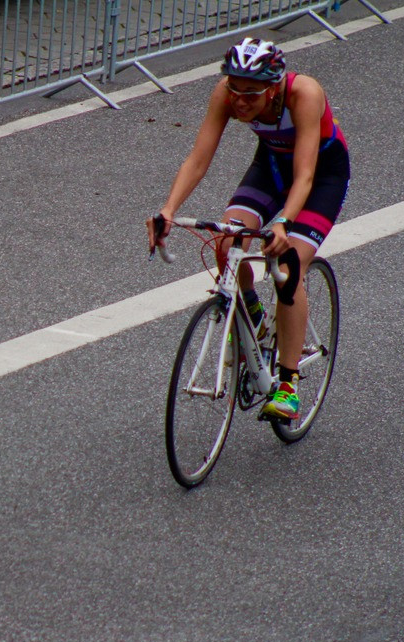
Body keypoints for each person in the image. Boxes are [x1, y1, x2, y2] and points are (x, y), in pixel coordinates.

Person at [146, 37, 350, 420]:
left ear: (273, 88)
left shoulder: (304, 93)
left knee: (288, 269)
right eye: (235, 89)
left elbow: (305, 176)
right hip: (271, 169)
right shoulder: (226, 92)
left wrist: (284, 224)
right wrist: (169, 209)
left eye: (251, 94)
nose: (239, 101)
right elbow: (199, 157)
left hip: (320, 178)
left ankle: (288, 385)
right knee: (227, 242)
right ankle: (253, 314)